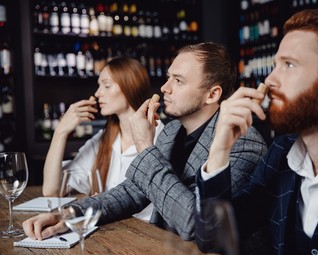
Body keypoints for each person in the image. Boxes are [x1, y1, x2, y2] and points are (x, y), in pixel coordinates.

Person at [22, 42, 268, 242]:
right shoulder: (172, 132)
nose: (164, 88)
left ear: (212, 94)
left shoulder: (243, 143)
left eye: (178, 81)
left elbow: (196, 224)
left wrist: (144, 147)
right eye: (168, 77)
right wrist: (69, 214)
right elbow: (131, 192)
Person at [195, 9, 318, 255]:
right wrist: (219, 150)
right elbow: (214, 238)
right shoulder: (281, 152)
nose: (270, 79)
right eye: (276, 65)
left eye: (288, 65)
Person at [42, 56, 164, 221]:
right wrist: (60, 132)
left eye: (106, 85)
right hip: (111, 234)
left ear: (130, 86)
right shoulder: (103, 139)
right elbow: (52, 190)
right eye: (99, 86)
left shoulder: (162, 137)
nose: (98, 93)